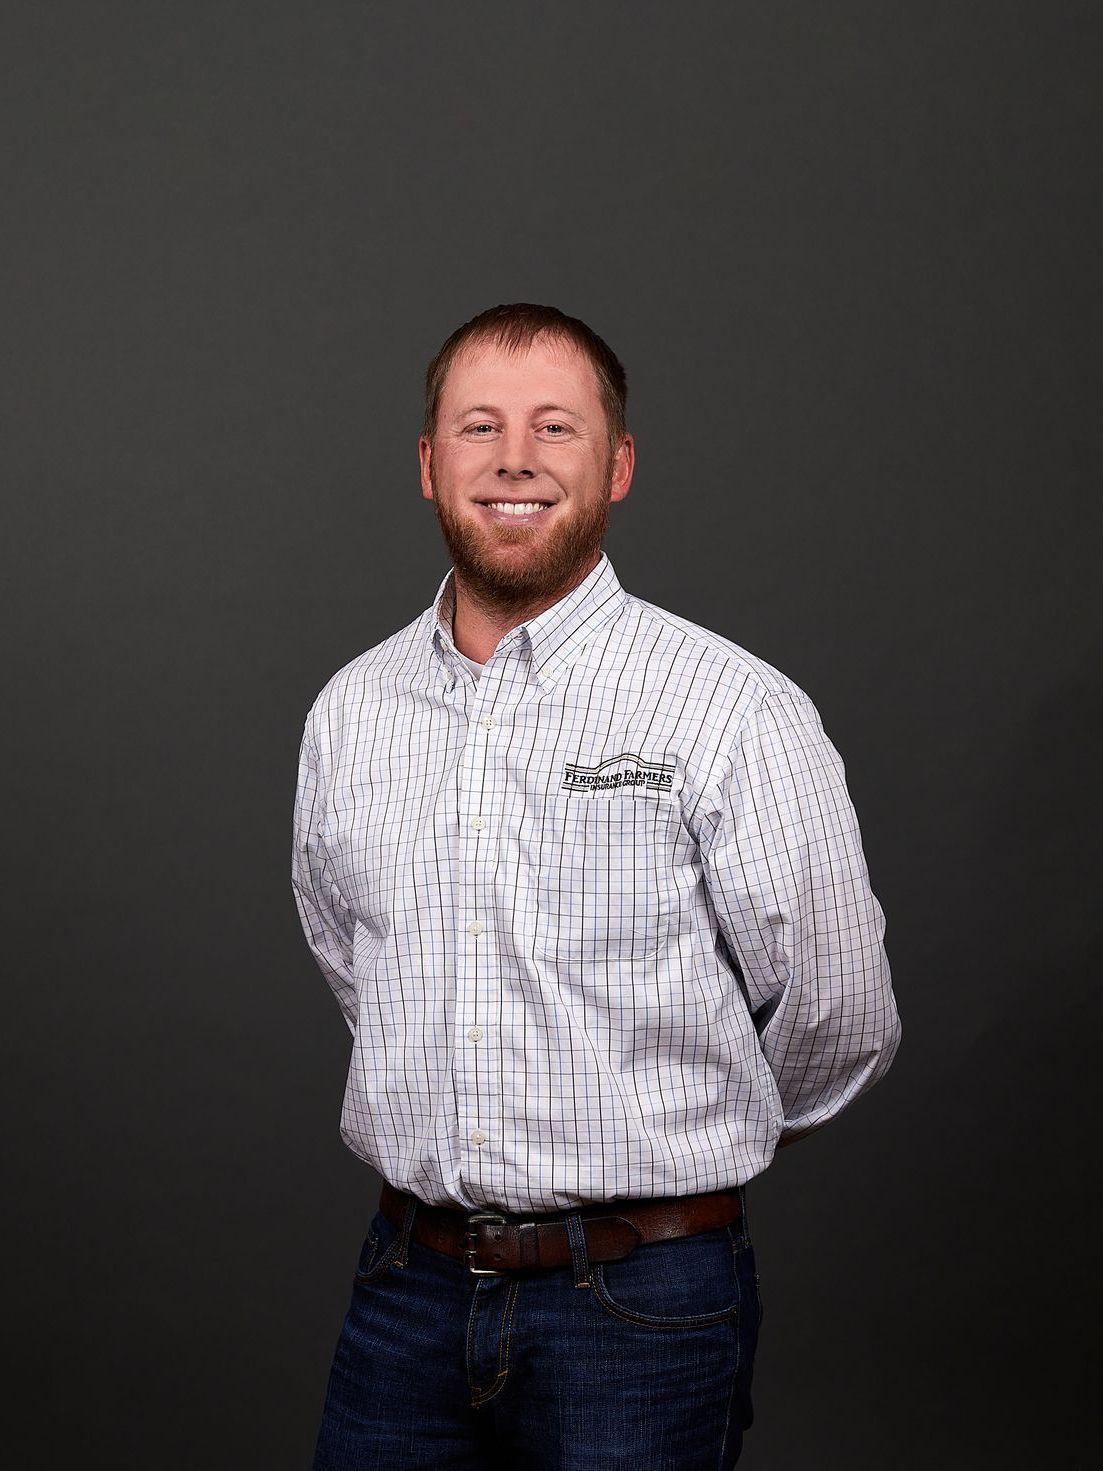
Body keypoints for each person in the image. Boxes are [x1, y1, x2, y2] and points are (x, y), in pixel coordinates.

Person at [292, 303, 902, 1469]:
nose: (513, 457)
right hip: (404, 1293)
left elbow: (839, 1009)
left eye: (553, 428)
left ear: (614, 465)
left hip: (643, 1303)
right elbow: (354, 956)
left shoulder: (730, 709)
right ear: (429, 464)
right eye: (478, 426)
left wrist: (684, 1134)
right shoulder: (348, 713)